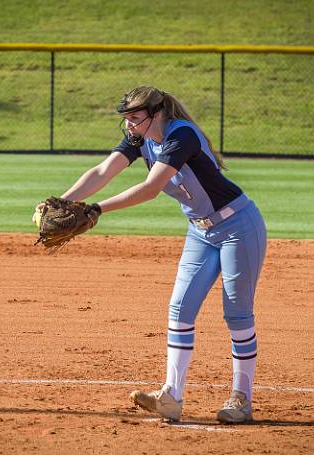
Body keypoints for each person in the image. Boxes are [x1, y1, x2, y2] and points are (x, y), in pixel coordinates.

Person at [49, 86, 267, 423]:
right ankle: (171, 397)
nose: (130, 127)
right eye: (127, 120)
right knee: (180, 309)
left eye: (135, 119)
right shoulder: (141, 139)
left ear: (157, 113)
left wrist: (95, 209)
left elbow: (151, 188)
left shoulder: (182, 136)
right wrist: (63, 201)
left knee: (237, 314)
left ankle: (241, 398)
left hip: (238, 225)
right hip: (200, 230)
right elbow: (103, 171)